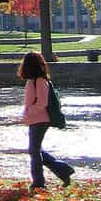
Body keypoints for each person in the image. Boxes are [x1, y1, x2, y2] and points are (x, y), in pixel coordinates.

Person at [17, 51, 74, 191]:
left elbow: (42, 103)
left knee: (34, 151)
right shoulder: (32, 80)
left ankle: (38, 182)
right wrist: (27, 114)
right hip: (34, 119)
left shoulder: (40, 81)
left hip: (40, 120)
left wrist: (28, 112)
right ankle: (63, 171)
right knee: (35, 150)